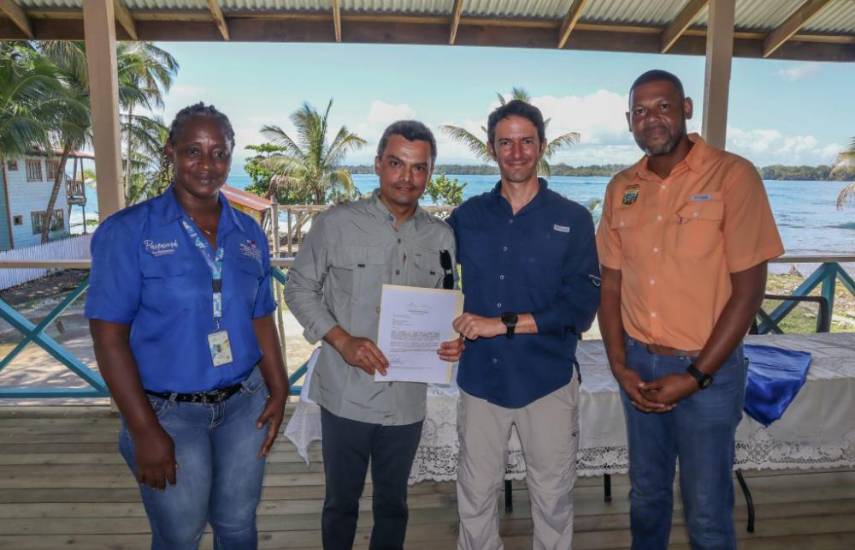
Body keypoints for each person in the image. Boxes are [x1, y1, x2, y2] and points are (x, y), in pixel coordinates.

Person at [86, 103, 289, 550]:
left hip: (244, 405)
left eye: (219, 153)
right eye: (193, 151)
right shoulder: (128, 232)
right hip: (167, 413)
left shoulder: (248, 233)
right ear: (170, 152)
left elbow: (260, 314)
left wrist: (279, 389)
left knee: (238, 525)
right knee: (180, 535)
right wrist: (144, 430)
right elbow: (108, 337)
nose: (207, 165)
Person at [596, 70, 784, 550]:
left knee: (707, 511)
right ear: (629, 121)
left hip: (710, 372)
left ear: (686, 109)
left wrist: (697, 375)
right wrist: (619, 366)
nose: (652, 118)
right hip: (639, 367)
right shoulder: (621, 188)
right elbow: (611, 284)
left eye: (663, 106)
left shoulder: (732, 176)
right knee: (646, 495)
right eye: (640, 111)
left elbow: (749, 291)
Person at [285, 120, 463, 550]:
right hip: (346, 393)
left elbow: (445, 303)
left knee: (394, 506)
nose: (407, 177)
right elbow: (298, 288)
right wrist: (342, 340)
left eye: (419, 168)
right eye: (397, 164)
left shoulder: (441, 236)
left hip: (406, 399)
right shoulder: (336, 223)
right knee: (340, 504)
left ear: (430, 173)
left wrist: (453, 337)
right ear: (378, 164)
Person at [449, 99, 600, 549]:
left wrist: (502, 324)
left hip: (547, 380)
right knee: (475, 498)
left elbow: (581, 307)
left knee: (553, 500)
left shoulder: (573, 219)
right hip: (481, 380)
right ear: (491, 149)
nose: (516, 153)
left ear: (542, 146)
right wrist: (443, 332)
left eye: (526, 142)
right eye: (506, 143)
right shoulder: (466, 217)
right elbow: (432, 278)